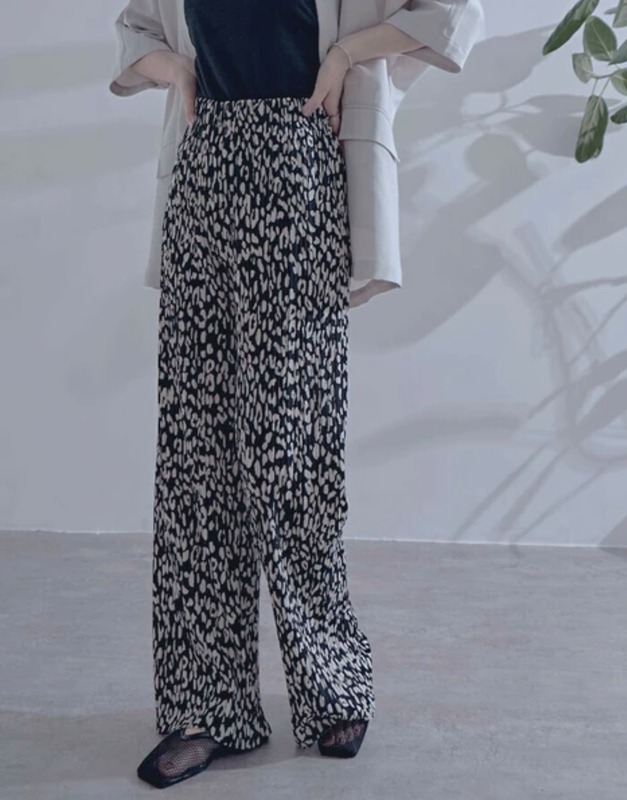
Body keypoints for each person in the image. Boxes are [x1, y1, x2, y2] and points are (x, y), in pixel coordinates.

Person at [110, 0, 429, 789]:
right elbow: (135, 31)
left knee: (292, 453)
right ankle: (205, 709)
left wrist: (348, 54)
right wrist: (177, 69)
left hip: (300, 158)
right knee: (196, 456)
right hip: (205, 165)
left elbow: (453, 11)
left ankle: (331, 687)